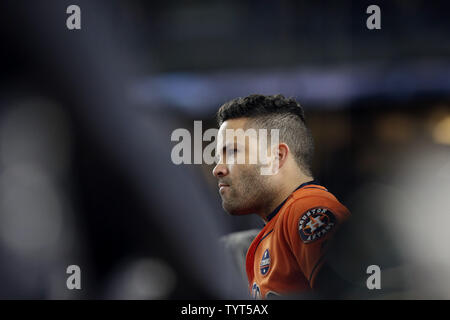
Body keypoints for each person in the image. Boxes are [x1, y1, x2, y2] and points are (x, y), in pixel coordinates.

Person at [212, 94, 351, 299]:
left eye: (232, 152)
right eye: (218, 157)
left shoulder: (308, 210)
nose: (218, 169)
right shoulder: (277, 227)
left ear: (275, 158)